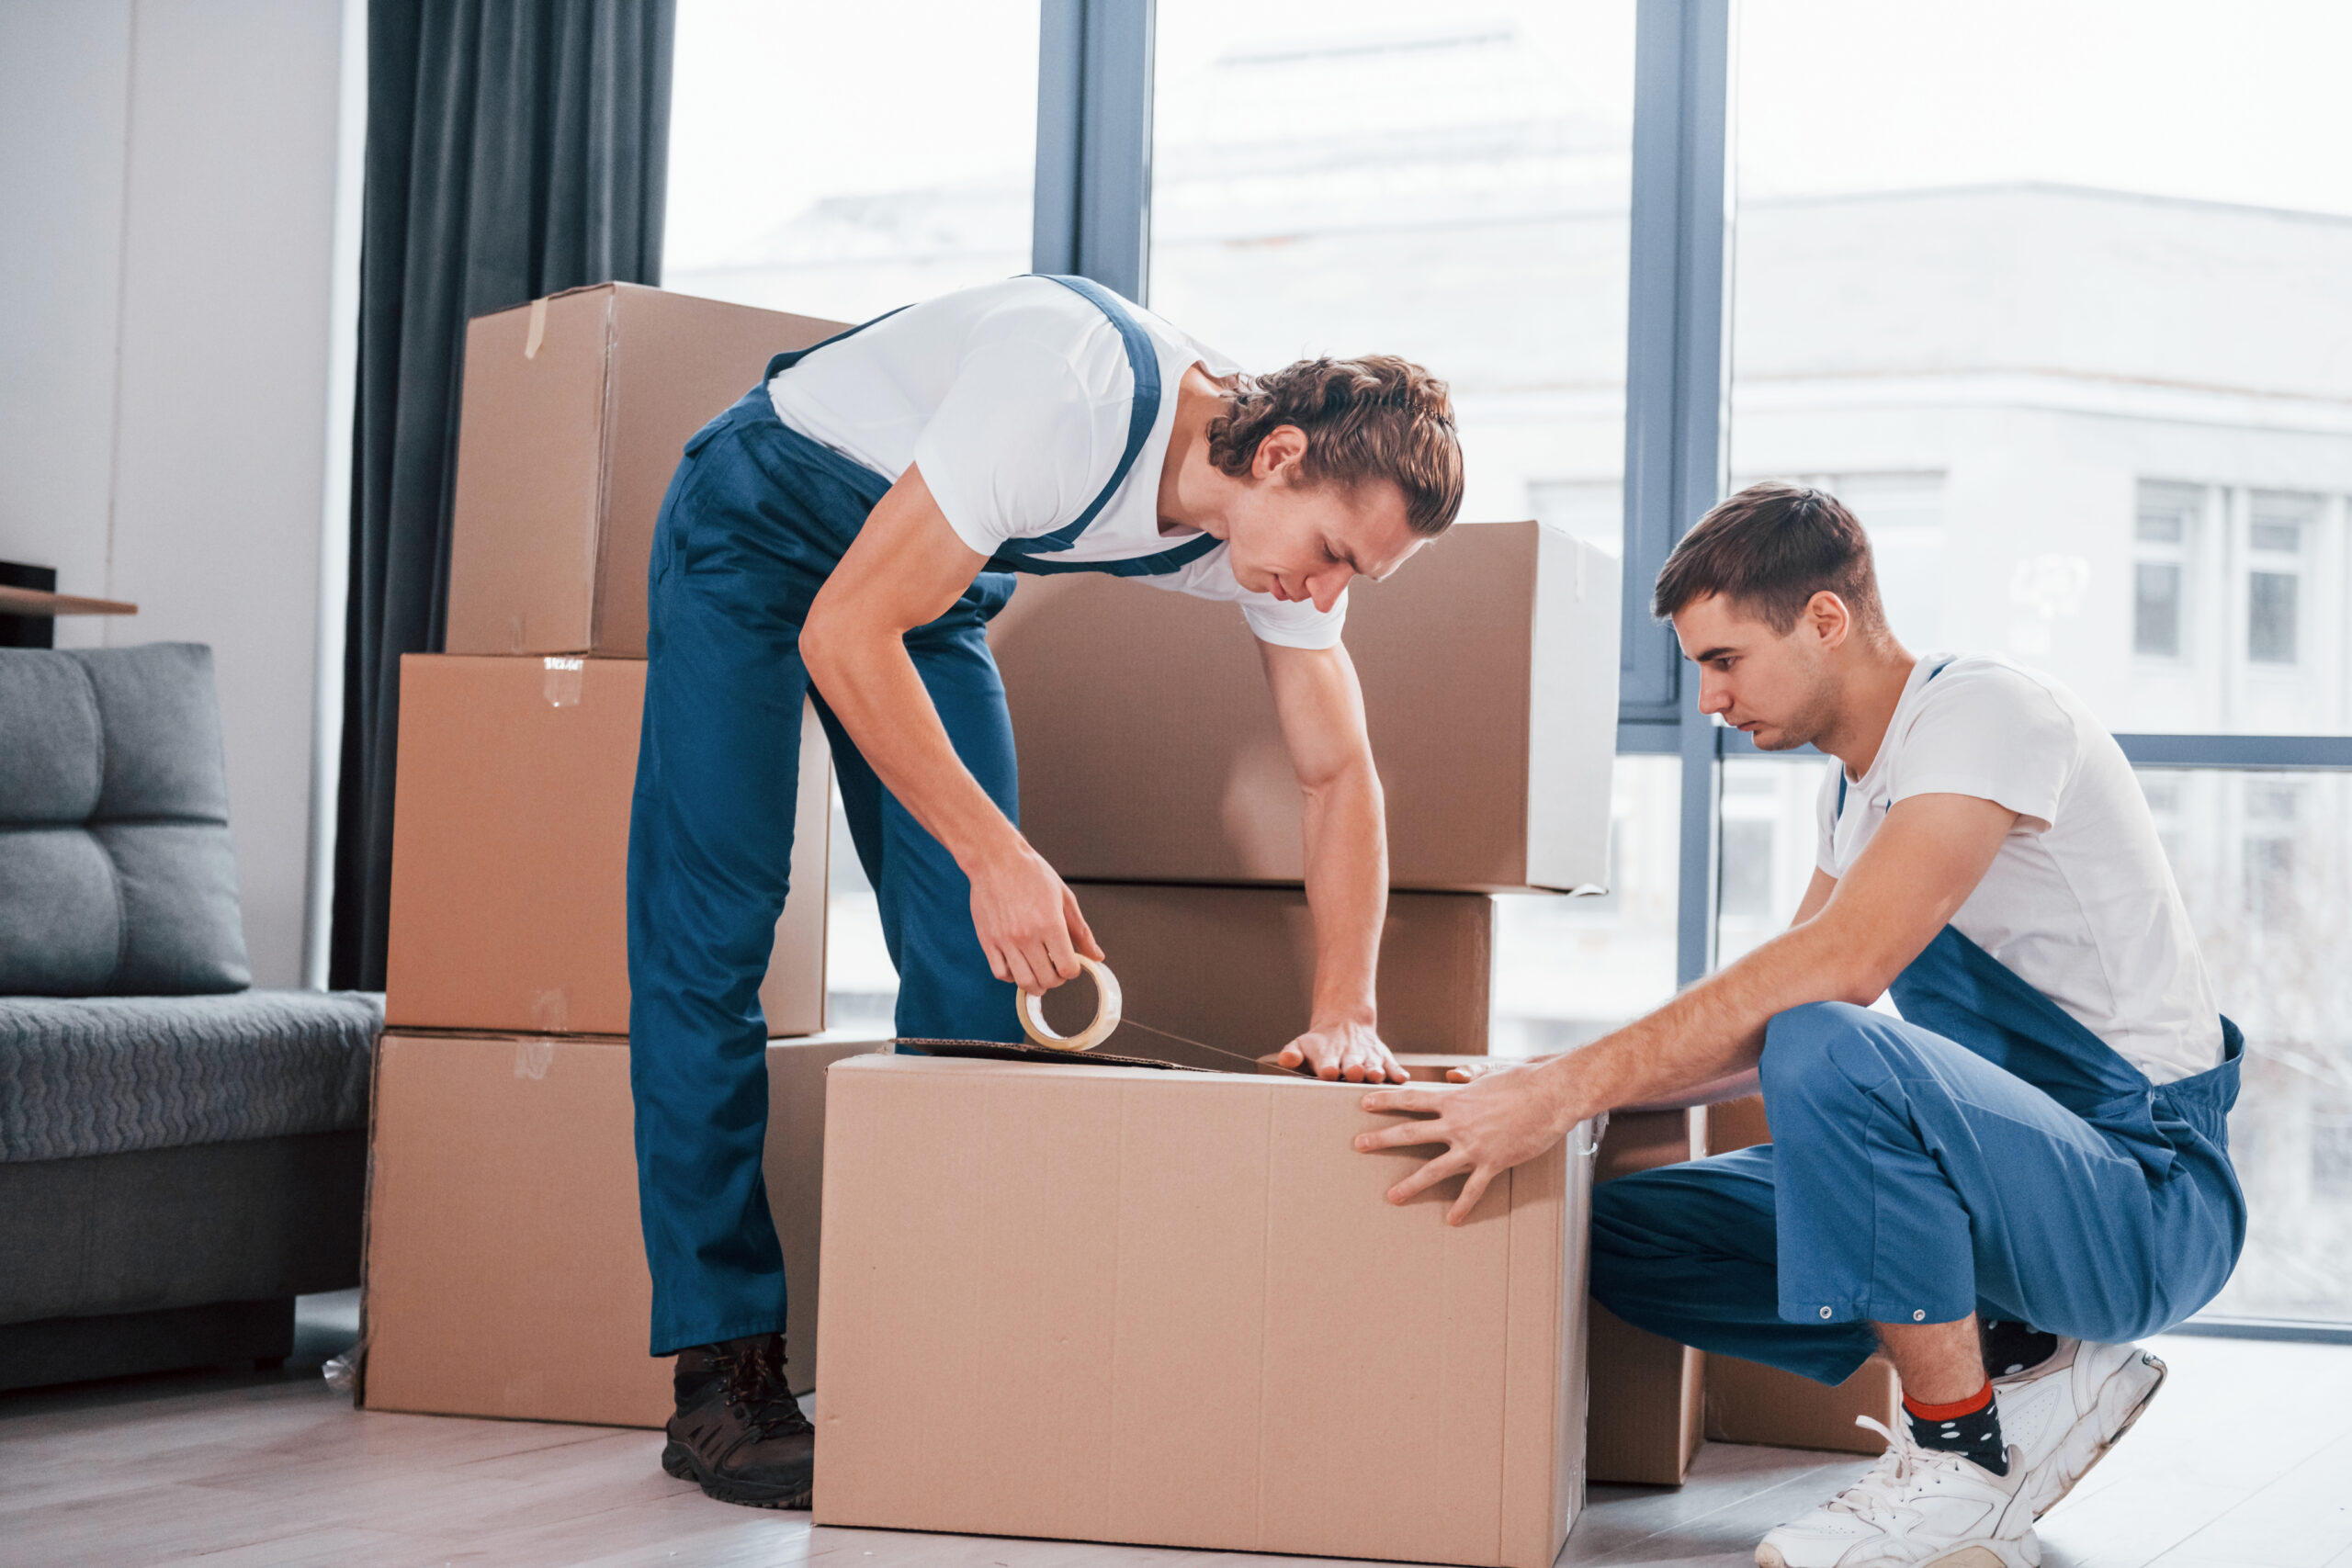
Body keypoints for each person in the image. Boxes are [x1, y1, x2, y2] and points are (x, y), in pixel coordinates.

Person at [628, 273, 1464, 1508]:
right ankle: (722, 1376)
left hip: (927, 582)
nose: (1325, 594)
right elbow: (842, 631)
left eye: (1358, 579)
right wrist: (995, 852)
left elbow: (1339, 772)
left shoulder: (1269, 544)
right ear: (1279, 453)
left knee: (986, 983)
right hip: (761, 521)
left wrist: (1348, 1006)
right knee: (714, 935)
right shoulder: (1068, 389)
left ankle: (939, 1349)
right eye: (1335, 555)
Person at [1356, 483, 2244, 1568]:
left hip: (2138, 1197)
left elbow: (1835, 977)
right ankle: (2024, 1358)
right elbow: (1759, 1024)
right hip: (2002, 1182)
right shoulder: (1850, 795)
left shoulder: (1987, 716)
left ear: (1825, 619)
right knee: (1621, 1234)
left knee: (1822, 1038)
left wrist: (1564, 1089)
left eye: (1724, 660)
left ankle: (1961, 1458)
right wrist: (1532, 1083)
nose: (1708, 701)